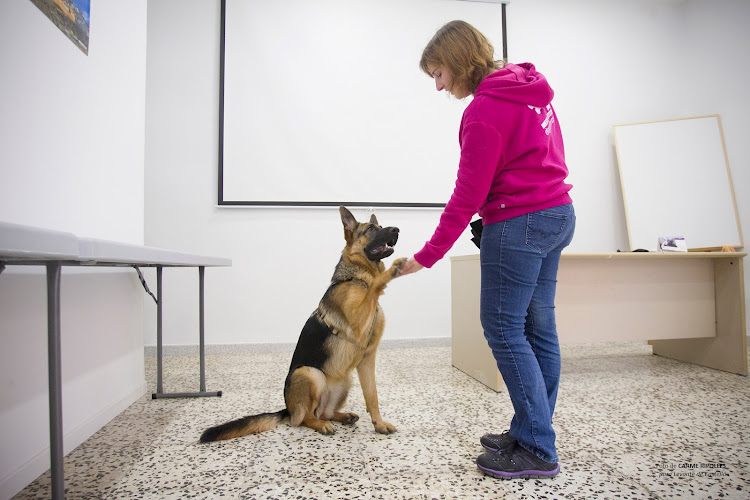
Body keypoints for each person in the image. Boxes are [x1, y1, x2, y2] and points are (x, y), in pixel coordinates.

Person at [397, 20, 575, 480]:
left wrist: (426, 255)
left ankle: (537, 448)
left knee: (502, 327)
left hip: (520, 224)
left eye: (438, 73)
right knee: (539, 328)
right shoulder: (528, 89)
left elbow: (466, 196)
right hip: (557, 213)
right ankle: (531, 429)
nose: (437, 86)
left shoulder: (484, 111)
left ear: (457, 63)